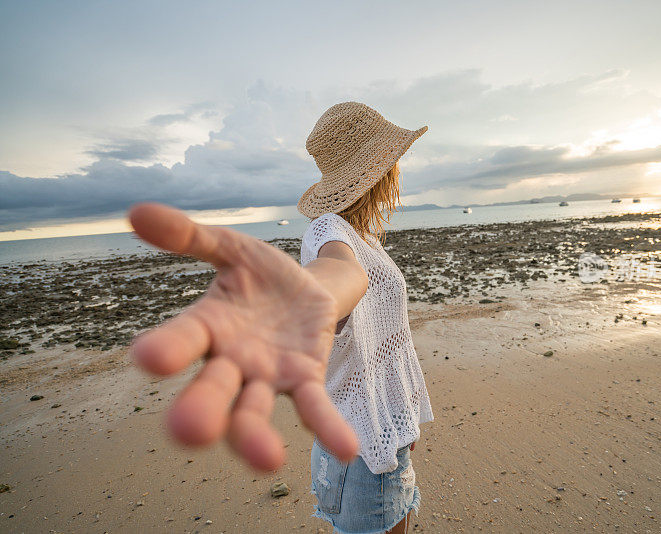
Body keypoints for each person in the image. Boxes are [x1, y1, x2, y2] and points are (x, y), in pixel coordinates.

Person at [128, 101, 433, 534]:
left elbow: (382, 337)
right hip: (361, 443)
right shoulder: (328, 231)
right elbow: (341, 276)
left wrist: (401, 414)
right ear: (382, 169)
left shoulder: (362, 235)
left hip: (382, 428)